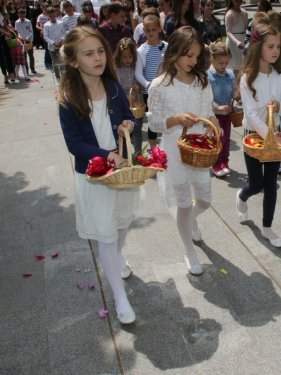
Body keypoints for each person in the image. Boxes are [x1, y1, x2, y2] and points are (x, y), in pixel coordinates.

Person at [58, 27, 138, 325]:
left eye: (100, 51)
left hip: (121, 172)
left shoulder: (114, 88)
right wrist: (106, 155)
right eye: (88, 53)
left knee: (122, 223)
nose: (98, 58)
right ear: (75, 61)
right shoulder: (69, 98)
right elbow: (74, 144)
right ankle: (119, 296)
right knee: (106, 232)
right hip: (95, 174)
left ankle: (118, 257)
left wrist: (127, 126)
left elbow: (128, 116)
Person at [147, 26, 220, 276]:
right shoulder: (160, 85)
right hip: (175, 150)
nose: (193, 61)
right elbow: (154, 123)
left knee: (204, 200)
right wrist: (176, 118)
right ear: (175, 52)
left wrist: (213, 120)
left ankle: (191, 221)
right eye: (188, 55)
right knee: (183, 204)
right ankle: (189, 250)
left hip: (198, 150)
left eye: (197, 56)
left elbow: (207, 109)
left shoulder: (202, 80)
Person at [236, 23, 281, 247]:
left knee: (271, 183)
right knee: (256, 184)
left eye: (278, 46)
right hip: (253, 137)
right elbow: (250, 116)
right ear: (258, 47)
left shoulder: (279, 75)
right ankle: (241, 196)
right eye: (271, 46)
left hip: (275, 136)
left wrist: (279, 106)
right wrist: (270, 136)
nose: (276, 51)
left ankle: (267, 226)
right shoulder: (248, 77)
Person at [135, 14, 167, 149]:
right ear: (144, 31)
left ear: (159, 28)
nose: (151, 33)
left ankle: (166, 142)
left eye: (153, 29)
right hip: (149, 91)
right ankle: (153, 147)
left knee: (166, 116)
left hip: (165, 89)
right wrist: (148, 84)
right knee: (152, 119)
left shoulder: (166, 46)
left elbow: (170, 67)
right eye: (147, 30)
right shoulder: (142, 50)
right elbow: (138, 72)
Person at [207, 42, 238, 177]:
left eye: (226, 62)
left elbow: (234, 90)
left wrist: (237, 95)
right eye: (221, 63)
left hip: (228, 114)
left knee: (227, 140)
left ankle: (225, 161)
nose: (224, 66)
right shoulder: (208, 76)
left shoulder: (230, 74)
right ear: (212, 59)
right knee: (218, 140)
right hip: (215, 116)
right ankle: (216, 163)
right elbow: (206, 97)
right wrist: (217, 106)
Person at [114, 37, 142, 150]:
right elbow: (117, 86)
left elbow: (139, 80)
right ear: (119, 55)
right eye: (125, 57)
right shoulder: (116, 68)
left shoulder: (136, 66)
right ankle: (125, 152)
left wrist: (138, 87)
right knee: (124, 128)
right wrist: (126, 98)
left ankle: (138, 153)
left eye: (130, 57)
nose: (128, 60)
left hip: (136, 103)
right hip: (122, 102)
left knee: (137, 129)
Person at [224, 0, 247, 77]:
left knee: (243, 65)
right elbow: (228, 32)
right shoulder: (229, 14)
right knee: (233, 67)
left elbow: (246, 29)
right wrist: (237, 42)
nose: (238, 2)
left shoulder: (244, 13)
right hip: (233, 43)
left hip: (242, 40)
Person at [44, 6, 65, 85]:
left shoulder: (60, 23)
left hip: (60, 46)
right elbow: (45, 36)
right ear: (48, 15)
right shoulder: (47, 25)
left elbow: (63, 33)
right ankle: (58, 77)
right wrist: (53, 42)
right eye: (50, 16)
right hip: (52, 47)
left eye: (54, 15)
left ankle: (63, 78)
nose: (52, 17)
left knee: (62, 62)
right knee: (55, 62)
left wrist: (62, 39)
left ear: (56, 14)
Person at [198, 0, 221, 66]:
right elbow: (198, 37)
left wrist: (219, 39)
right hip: (205, 52)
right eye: (208, 5)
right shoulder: (199, 22)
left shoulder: (217, 20)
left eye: (212, 5)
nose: (211, 7)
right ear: (202, 7)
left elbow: (219, 34)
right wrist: (204, 44)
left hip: (215, 50)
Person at [15, 8, 36, 74]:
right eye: (20, 16)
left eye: (23, 16)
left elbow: (31, 31)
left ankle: (32, 68)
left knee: (31, 55)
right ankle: (26, 70)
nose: (22, 17)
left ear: (25, 15)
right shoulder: (17, 22)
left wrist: (27, 38)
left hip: (28, 40)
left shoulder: (28, 21)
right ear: (18, 15)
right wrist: (21, 37)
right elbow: (17, 32)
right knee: (24, 56)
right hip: (21, 41)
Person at [37, 3, 53, 69]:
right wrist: (42, 29)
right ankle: (47, 63)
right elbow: (37, 25)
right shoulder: (40, 16)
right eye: (45, 8)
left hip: (50, 34)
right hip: (44, 34)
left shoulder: (50, 16)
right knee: (47, 49)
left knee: (50, 49)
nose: (46, 9)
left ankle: (51, 62)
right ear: (42, 8)